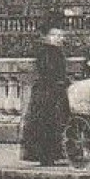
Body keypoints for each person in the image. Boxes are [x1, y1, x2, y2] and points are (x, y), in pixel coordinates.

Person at [20, 16, 71, 165]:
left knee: (56, 122)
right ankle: (46, 155)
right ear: (47, 37)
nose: (58, 38)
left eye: (61, 35)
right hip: (46, 91)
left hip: (55, 90)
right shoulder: (45, 52)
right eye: (54, 35)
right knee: (46, 122)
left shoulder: (56, 52)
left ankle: (52, 154)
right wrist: (61, 82)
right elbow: (48, 72)